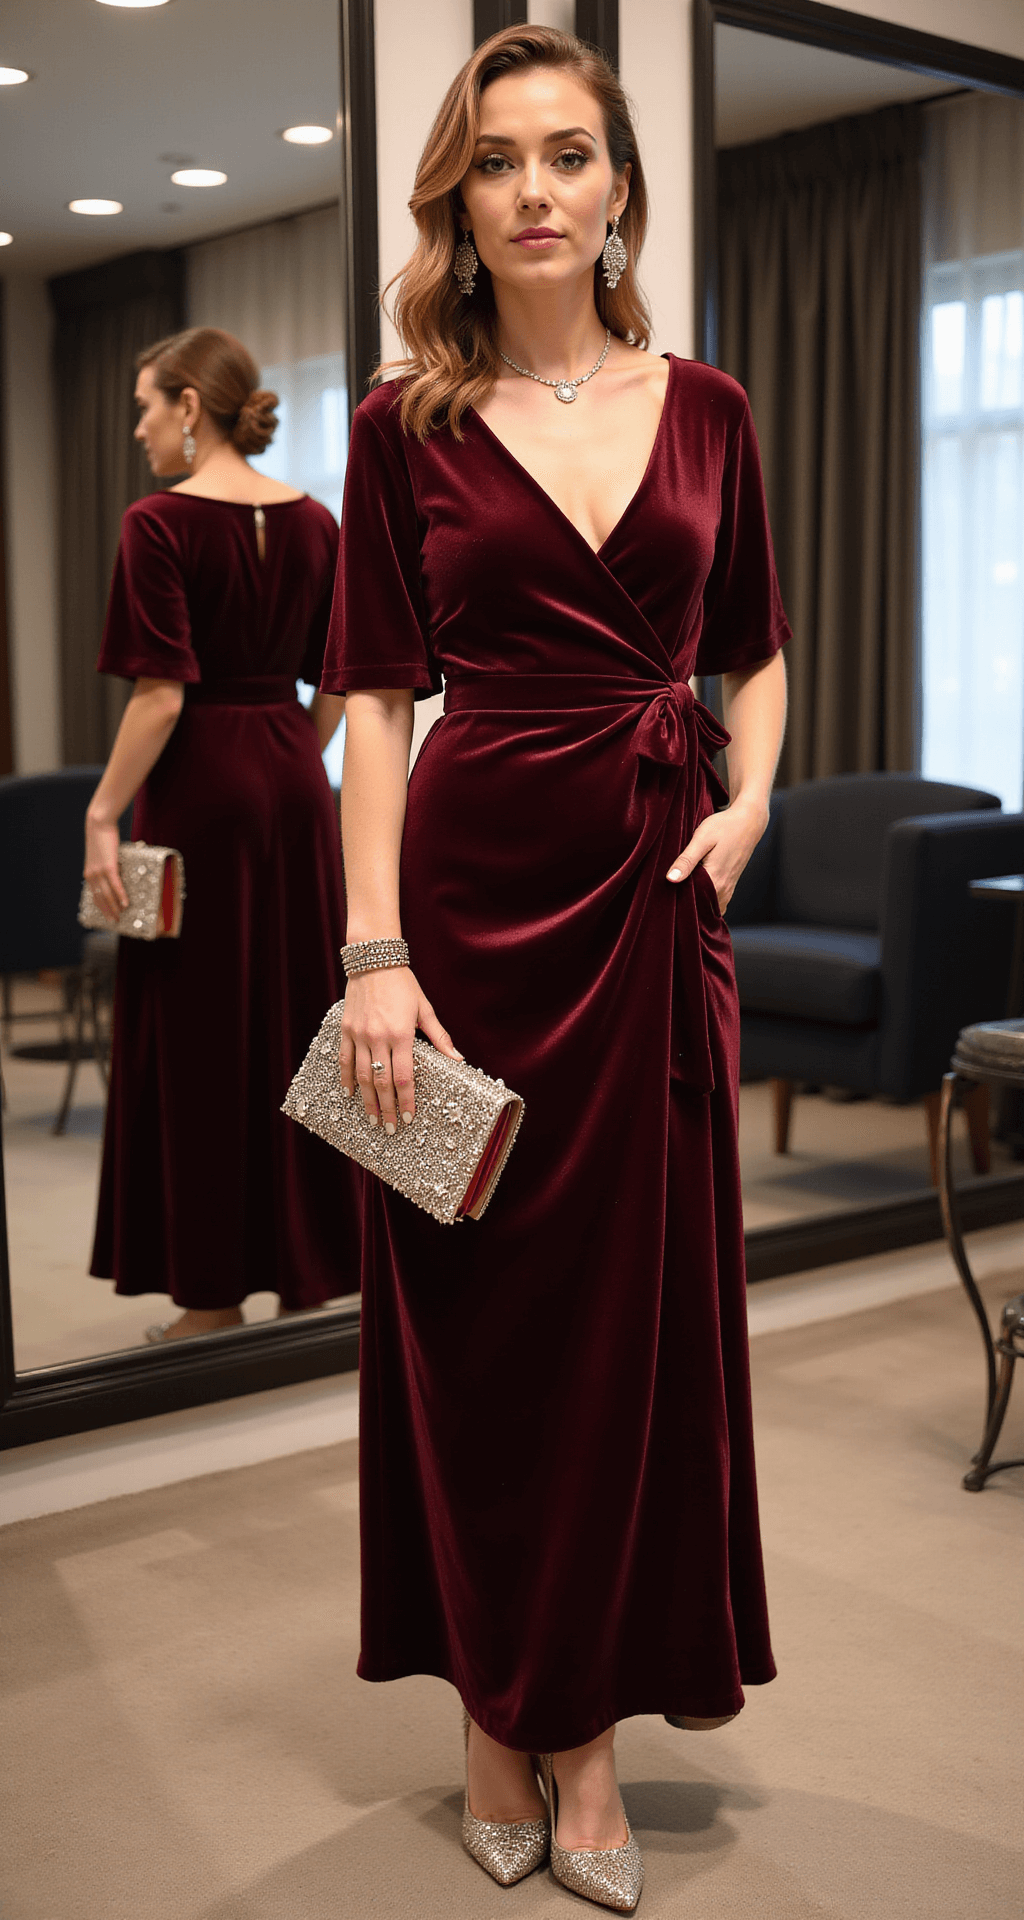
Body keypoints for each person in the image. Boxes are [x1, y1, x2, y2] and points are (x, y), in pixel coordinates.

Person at [324, 26, 788, 1912]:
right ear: (458, 199)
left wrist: (751, 804)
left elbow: (748, 651)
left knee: (627, 1343)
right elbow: (366, 702)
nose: (532, 189)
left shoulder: (712, 409)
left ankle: (575, 1731)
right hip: (464, 915)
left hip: (653, 902)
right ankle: (485, 1714)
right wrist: (371, 953)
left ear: (616, 191)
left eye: (567, 156)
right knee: (466, 1336)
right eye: (497, 160)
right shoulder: (397, 426)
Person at [86, 326, 358, 1340]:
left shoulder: (156, 526)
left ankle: (210, 1296)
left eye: (147, 404)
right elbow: (340, 681)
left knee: (199, 1039)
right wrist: (291, 744)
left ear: (190, 407)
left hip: (198, 787)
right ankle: (311, 1259)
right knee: (299, 1022)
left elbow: (160, 697)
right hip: (292, 784)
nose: (139, 426)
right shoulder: (318, 524)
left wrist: (102, 810)